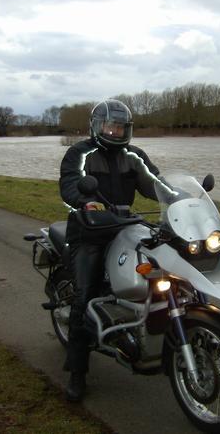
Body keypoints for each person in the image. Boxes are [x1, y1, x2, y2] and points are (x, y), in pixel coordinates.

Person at [58, 99, 162, 402]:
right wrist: (85, 201)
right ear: (97, 126)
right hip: (88, 231)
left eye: (121, 127)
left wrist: (179, 196)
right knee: (84, 296)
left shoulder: (134, 155)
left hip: (125, 227)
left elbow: (154, 183)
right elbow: (70, 185)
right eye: (110, 126)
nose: (115, 131)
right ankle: (77, 372)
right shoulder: (80, 153)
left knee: (160, 266)